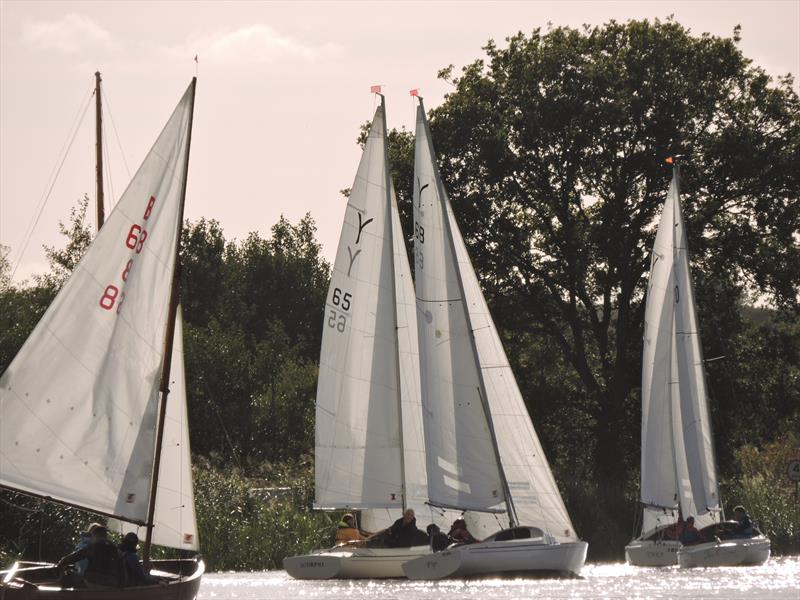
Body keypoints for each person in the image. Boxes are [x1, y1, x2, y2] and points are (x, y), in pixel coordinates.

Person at [57, 525, 123, 588]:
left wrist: (61, 562)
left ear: (95, 536)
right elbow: (122, 570)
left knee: (67, 575)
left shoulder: (94, 547)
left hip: (92, 583)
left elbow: (74, 557)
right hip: (112, 584)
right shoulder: (116, 550)